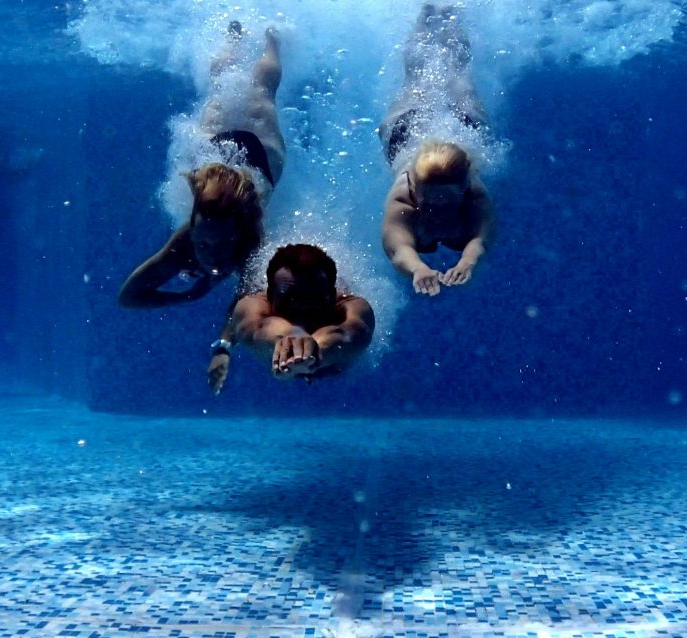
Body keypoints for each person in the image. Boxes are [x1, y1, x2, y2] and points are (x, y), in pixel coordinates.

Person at [118, 22, 284, 308]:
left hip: (257, 154)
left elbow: (244, 306)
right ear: (192, 234)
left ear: (239, 234)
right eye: (203, 244)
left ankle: (273, 41)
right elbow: (128, 297)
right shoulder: (185, 240)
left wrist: (223, 345)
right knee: (240, 89)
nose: (212, 257)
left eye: (221, 245)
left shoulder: (252, 245)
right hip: (245, 154)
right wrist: (187, 295)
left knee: (254, 90)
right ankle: (245, 38)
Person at [378, 4, 497, 297]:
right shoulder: (402, 197)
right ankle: (426, 11)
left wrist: (468, 261)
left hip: (454, 125)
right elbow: (398, 247)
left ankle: (454, 13)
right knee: (417, 74)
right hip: (407, 127)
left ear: (465, 189)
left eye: (447, 202)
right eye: (432, 202)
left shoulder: (475, 195)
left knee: (458, 69)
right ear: (413, 188)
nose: (439, 211)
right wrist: (417, 267)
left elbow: (481, 238)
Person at [213, 244, 374, 391]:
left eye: (314, 300)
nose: (302, 310)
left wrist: (313, 350)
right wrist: (223, 349)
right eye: (289, 300)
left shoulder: (351, 306)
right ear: (269, 296)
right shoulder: (252, 305)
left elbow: (347, 334)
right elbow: (260, 326)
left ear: (332, 297)